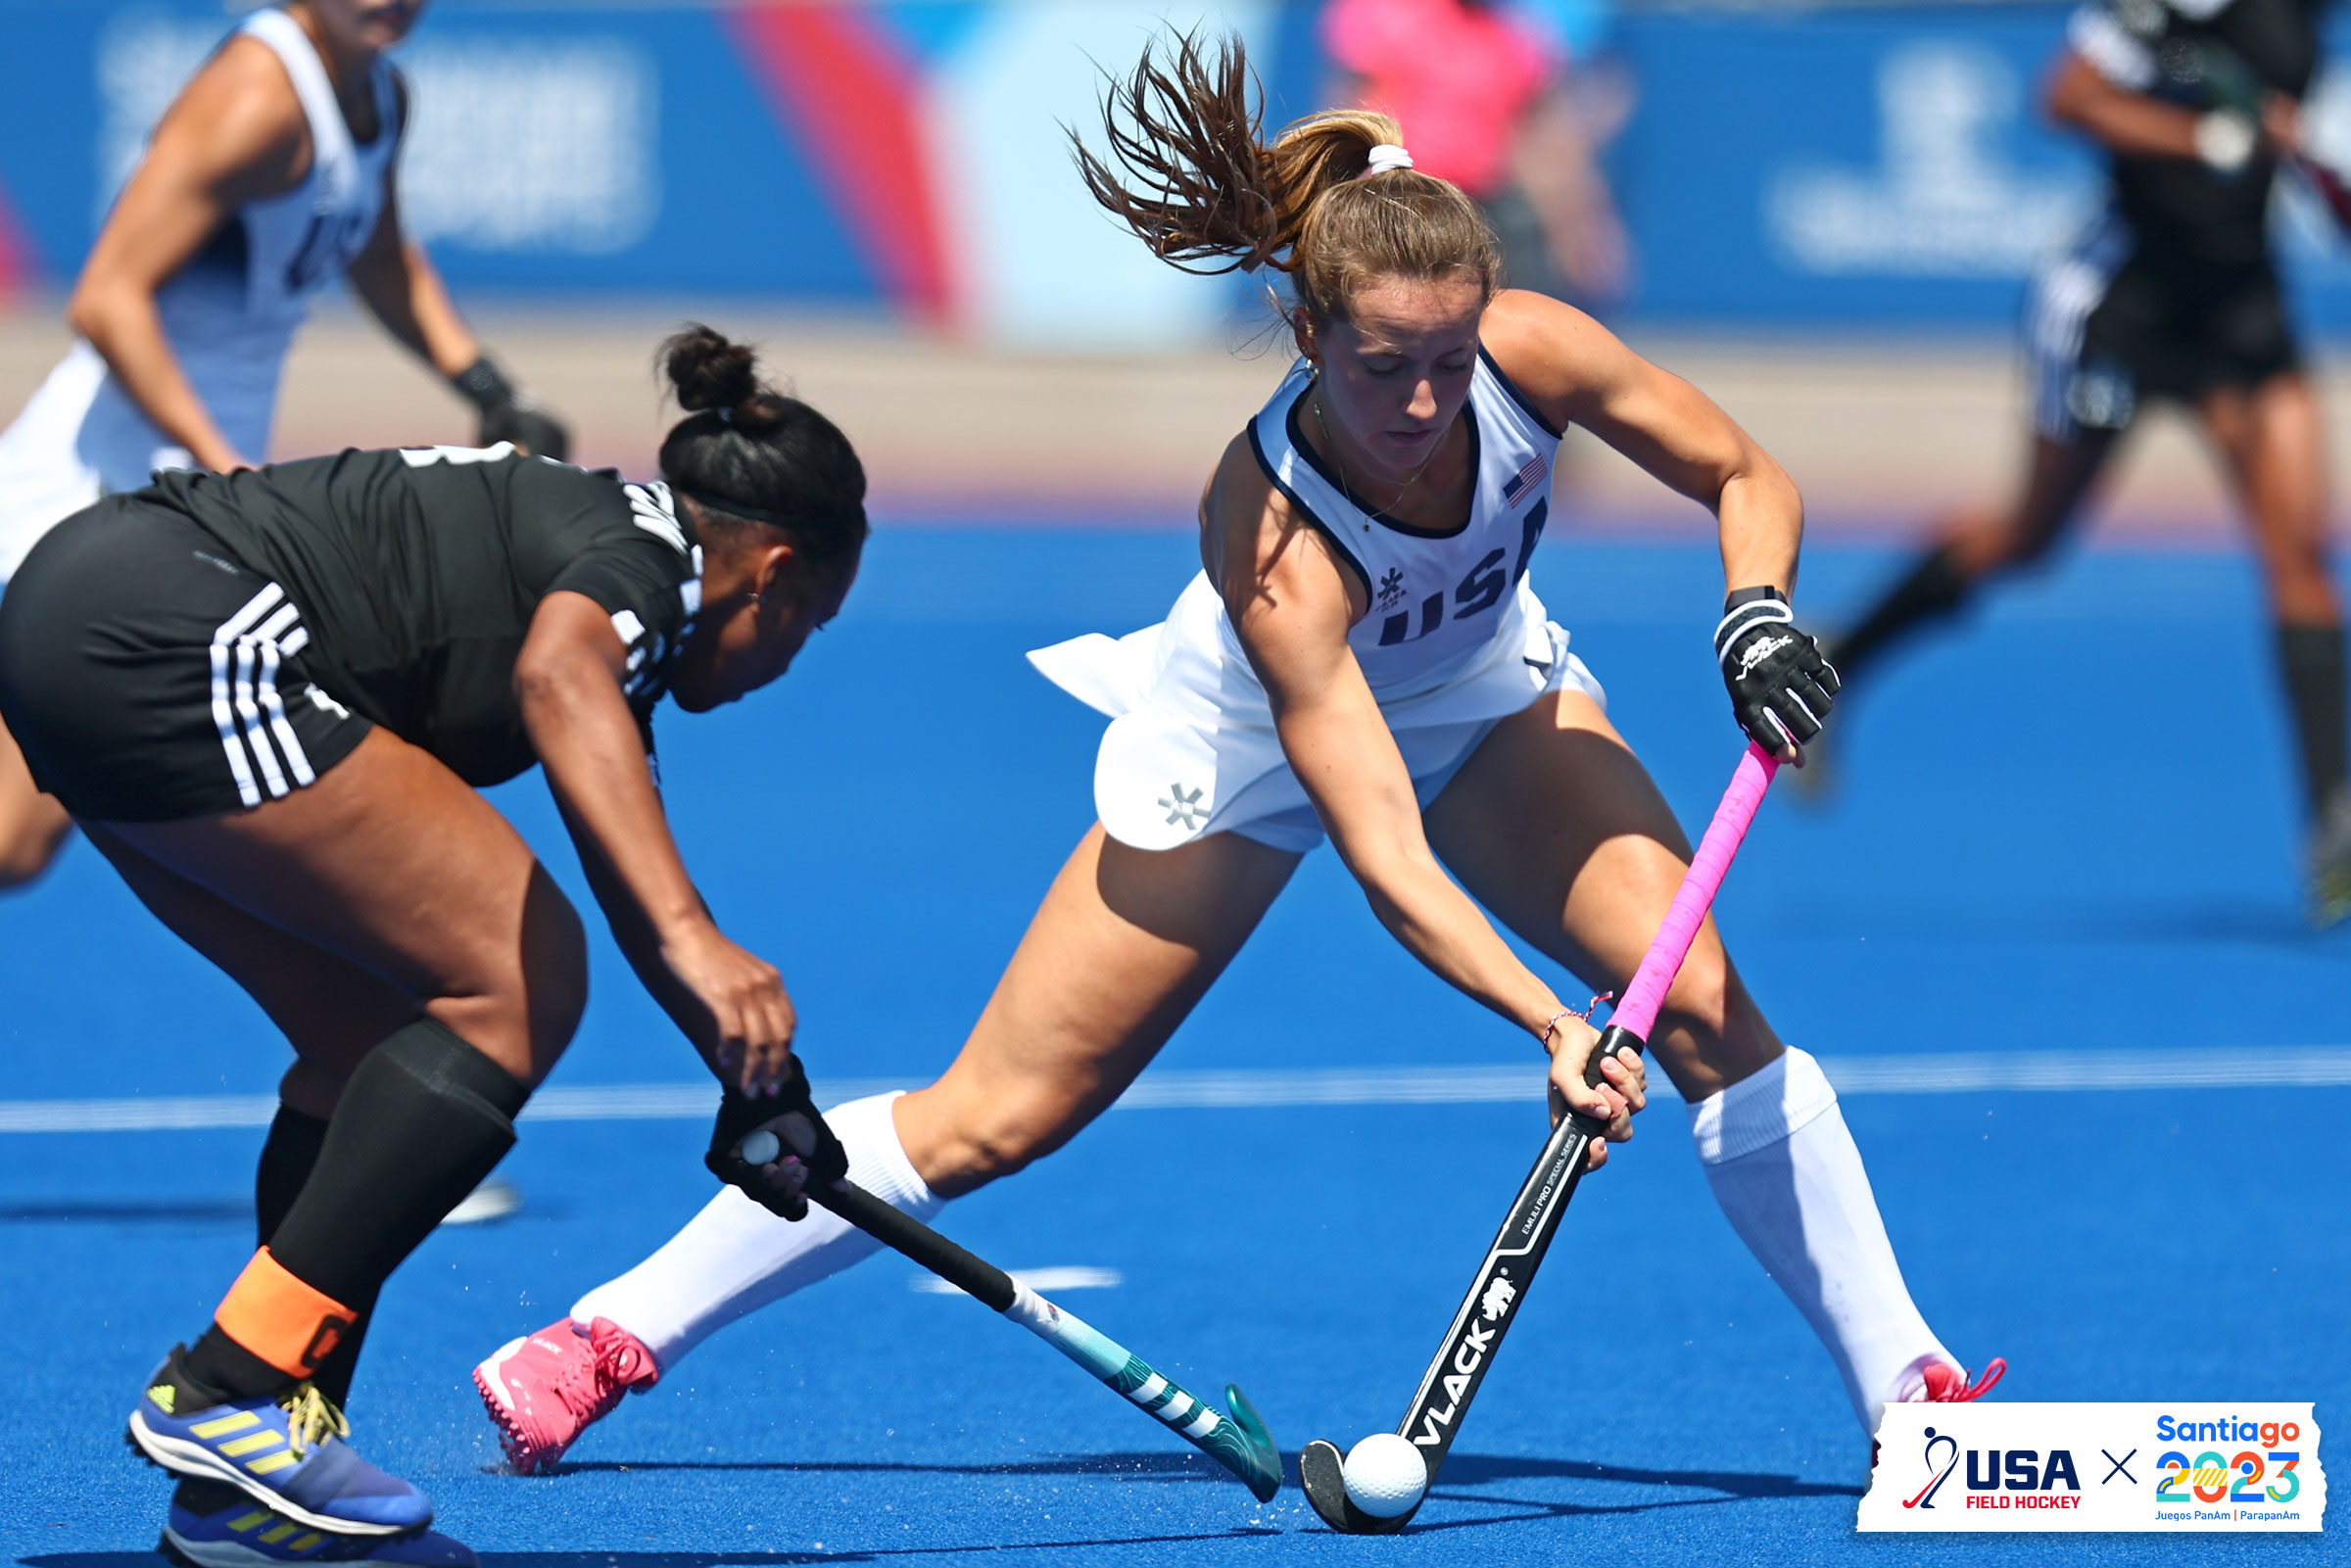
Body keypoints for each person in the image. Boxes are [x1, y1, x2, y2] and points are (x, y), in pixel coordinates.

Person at [469, 34, 1999, 1483]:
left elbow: (1745, 469)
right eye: (1382, 365)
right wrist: (1552, 1017)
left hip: (1479, 688)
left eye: (1447, 363)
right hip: (1254, 736)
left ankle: (1909, 1397)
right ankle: (604, 1335)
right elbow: (1388, 855)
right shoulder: (1269, 538)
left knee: (1717, 1007)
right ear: (1306, 331)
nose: (1420, 404)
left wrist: (1756, 617)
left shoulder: (1526, 355)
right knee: (997, 1115)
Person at [0, 328, 856, 1568]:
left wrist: (761, 1090)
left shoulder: (625, 588)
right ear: (771, 576)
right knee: (522, 977)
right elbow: (560, 678)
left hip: (74, 615)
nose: (788, 660)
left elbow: (629, 866)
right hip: (167, 628)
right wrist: (698, 938)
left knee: (362, 1041)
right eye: (810, 626)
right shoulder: (641, 568)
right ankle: (231, 1384)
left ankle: (254, 1484)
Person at [0, 0, 568, 892]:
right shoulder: (257, 97)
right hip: (87, 487)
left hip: (175, 499)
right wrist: (221, 464)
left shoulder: (380, 93)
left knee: (20, 844)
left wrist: (489, 386)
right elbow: (106, 297)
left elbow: (379, 255)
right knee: (13, 840)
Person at [1813, 0, 2351, 923]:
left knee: (2300, 556)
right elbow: (2066, 96)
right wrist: (2211, 139)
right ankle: (1837, 658)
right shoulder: (2155, 9)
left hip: (2241, 309)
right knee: (2029, 540)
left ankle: (2333, 823)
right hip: (2120, 306)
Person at [1321, 0, 1631, 306]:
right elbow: (1348, 110)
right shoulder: (1382, 14)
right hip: (1400, 201)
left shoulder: (1515, 38)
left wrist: (1580, 225)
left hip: (1483, 211)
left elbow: (1542, 148)